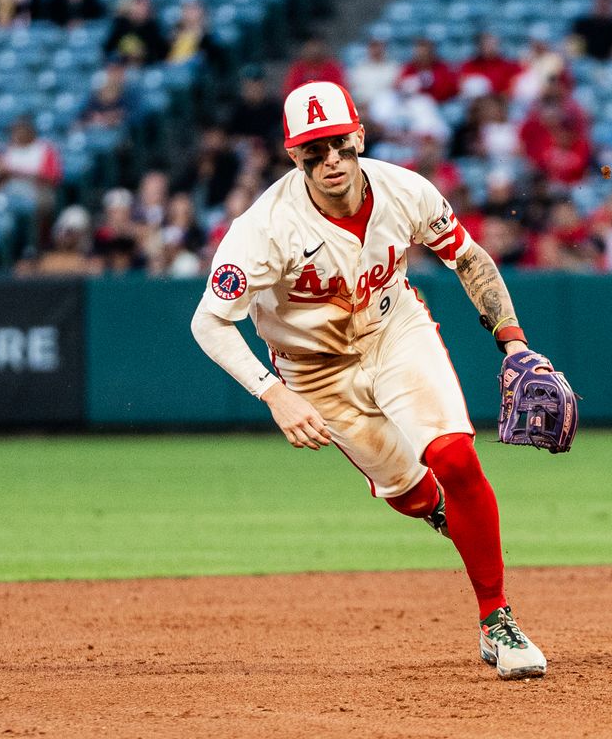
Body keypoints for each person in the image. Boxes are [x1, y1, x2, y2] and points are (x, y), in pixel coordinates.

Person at [191, 81, 550, 680]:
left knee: (457, 458)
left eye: (338, 144)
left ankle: (497, 621)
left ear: (358, 136)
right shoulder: (262, 230)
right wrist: (274, 394)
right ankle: (439, 510)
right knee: (412, 496)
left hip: (393, 331)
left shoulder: (404, 189)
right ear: (292, 155)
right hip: (313, 371)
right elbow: (209, 321)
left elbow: (469, 258)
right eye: (314, 150)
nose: (329, 160)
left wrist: (514, 343)